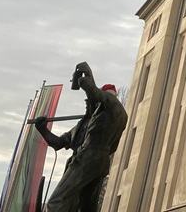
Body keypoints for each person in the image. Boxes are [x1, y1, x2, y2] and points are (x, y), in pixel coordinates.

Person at [34, 62, 127, 212]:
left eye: (90, 101)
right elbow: (58, 143)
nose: (88, 103)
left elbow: (95, 93)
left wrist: (87, 76)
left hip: (88, 158)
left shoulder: (114, 108)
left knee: (57, 200)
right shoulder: (84, 125)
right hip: (93, 161)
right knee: (87, 206)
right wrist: (42, 128)